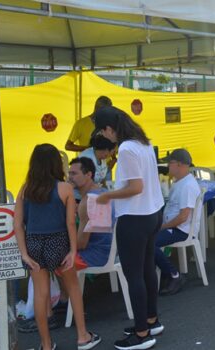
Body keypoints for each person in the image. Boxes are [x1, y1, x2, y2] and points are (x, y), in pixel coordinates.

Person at [13, 144, 101, 350]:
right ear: (55, 163)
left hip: (33, 242)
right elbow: (71, 223)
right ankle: (83, 336)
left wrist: (24, 254)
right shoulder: (65, 188)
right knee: (73, 288)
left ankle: (46, 344)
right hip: (58, 241)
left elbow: (17, 224)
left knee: (40, 294)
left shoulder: (25, 189)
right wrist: (72, 250)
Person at [93, 106, 164, 350]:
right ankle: (150, 321)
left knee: (133, 275)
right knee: (146, 270)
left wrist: (107, 196)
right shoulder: (143, 143)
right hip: (153, 213)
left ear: (110, 128)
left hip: (134, 217)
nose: (105, 137)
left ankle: (142, 332)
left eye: (103, 132)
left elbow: (135, 187)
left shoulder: (125, 148)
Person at [154, 149, 200, 296]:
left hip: (182, 230)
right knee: (145, 238)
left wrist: (162, 226)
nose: (168, 165)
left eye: (170, 163)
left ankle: (174, 275)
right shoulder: (180, 182)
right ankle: (164, 275)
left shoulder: (187, 186)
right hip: (176, 226)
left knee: (148, 242)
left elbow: (183, 217)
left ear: (180, 164)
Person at [68, 157, 113, 271]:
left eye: (74, 174)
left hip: (97, 255)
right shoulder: (103, 192)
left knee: (53, 261)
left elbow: (80, 244)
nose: (70, 178)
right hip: (113, 251)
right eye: (69, 173)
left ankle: (66, 289)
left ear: (88, 175)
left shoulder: (88, 201)